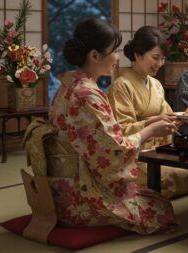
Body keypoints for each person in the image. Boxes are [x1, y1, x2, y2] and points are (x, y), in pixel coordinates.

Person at [49, 18, 178, 234]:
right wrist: (150, 131)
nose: (118, 57)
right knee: (162, 210)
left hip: (61, 187)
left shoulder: (69, 86)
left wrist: (150, 124)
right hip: (80, 194)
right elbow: (114, 150)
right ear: (94, 55)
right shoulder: (88, 95)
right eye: (114, 51)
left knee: (158, 193)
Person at [107, 26, 188, 199]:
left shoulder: (156, 84)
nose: (159, 64)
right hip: (136, 157)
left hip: (160, 151)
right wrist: (153, 122)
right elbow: (120, 130)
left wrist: (179, 120)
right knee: (174, 178)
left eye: (162, 58)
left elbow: (168, 117)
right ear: (138, 55)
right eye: (155, 58)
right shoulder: (121, 85)